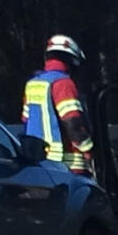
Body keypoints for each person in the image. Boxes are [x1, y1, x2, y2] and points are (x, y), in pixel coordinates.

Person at [20, 35, 95, 175]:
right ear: (73, 61)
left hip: (37, 160)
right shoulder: (64, 83)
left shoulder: (33, 84)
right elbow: (72, 122)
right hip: (67, 163)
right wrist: (89, 149)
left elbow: (25, 120)